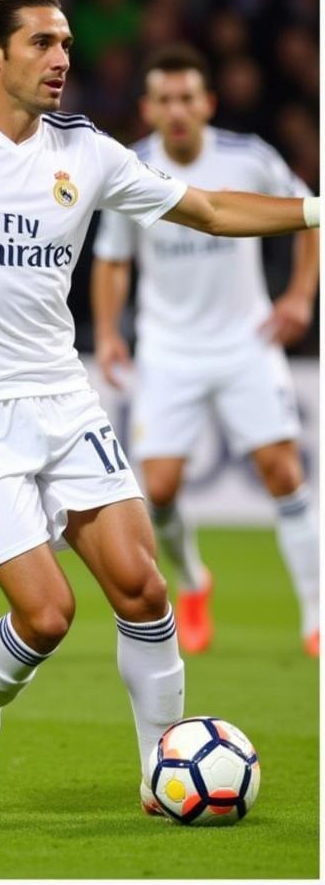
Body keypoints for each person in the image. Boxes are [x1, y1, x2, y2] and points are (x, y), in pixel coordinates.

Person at [0, 0, 319, 819]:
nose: (61, 60)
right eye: (43, 43)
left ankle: (164, 773)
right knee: (48, 615)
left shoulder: (86, 151)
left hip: (62, 396)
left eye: (67, 45)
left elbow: (213, 208)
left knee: (143, 590)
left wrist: (314, 210)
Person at [91, 44, 319, 657]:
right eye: (164, 99)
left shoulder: (248, 159)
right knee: (158, 490)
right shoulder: (130, 167)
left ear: (208, 102)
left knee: (283, 470)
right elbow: (112, 259)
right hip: (168, 350)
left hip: (246, 342)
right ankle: (194, 581)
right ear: (148, 108)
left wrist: (299, 296)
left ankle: (316, 616)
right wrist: (110, 331)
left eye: (188, 97)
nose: (178, 109)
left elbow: (311, 219)